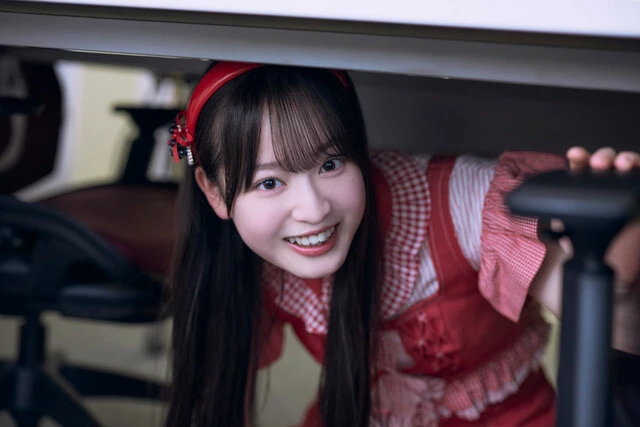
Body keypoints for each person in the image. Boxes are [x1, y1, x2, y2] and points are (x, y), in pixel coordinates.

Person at [164, 61, 640, 427]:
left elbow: (608, 321)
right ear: (213, 190)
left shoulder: (460, 203)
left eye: (330, 164)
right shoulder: (239, 257)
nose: (312, 210)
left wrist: (612, 271)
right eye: (270, 183)